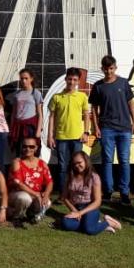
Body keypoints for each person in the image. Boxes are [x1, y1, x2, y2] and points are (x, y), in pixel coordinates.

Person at [89, 55, 134, 204]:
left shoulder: (123, 83)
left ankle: (124, 193)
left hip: (124, 129)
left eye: (111, 68)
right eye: (106, 69)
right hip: (107, 129)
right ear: (102, 69)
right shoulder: (98, 86)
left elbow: (131, 104)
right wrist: (96, 127)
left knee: (124, 161)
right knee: (107, 161)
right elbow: (94, 109)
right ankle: (108, 191)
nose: (109, 71)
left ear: (115, 67)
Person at [47, 67, 92, 198]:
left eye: (75, 80)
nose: (72, 82)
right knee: (62, 166)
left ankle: (78, 192)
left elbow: (87, 115)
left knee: (78, 166)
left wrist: (86, 132)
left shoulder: (82, 96)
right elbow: (51, 117)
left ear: (78, 81)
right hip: (61, 137)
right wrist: (50, 136)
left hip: (77, 137)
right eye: (70, 79)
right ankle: (63, 193)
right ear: (65, 79)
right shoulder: (57, 97)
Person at [60, 151, 121, 235]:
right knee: (66, 224)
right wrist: (74, 210)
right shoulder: (70, 176)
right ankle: (93, 224)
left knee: (89, 230)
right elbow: (64, 197)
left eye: (79, 162)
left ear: (86, 161)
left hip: (90, 207)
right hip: (76, 207)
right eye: (74, 164)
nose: (77, 166)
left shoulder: (94, 177)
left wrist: (80, 213)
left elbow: (97, 201)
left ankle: (108, 223)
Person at [8, 138, 53, 225]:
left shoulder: (42, 163)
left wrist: (46, 195)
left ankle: (31, 214)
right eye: (25, 146)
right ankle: (17, 216)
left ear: (36, 148)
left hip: (34, 195)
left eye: (31, 147)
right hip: (17, 193)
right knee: (25, 198)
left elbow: (50, 182)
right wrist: (36, 194)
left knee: (47, 202)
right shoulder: (17, 162)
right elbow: (18, 184)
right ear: (21, 148)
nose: (28, 149)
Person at [6, 68, 44, 156]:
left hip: (30, 127)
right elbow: (13, 113)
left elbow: (39, 114)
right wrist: (11, 129)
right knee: (19, 151)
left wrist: (38, 130)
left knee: (31, 151)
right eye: (22, 78)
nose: (24, 81)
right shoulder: (17, 94)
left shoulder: (36, 93)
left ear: (31, 79)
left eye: (26, 78)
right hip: (18, 127)